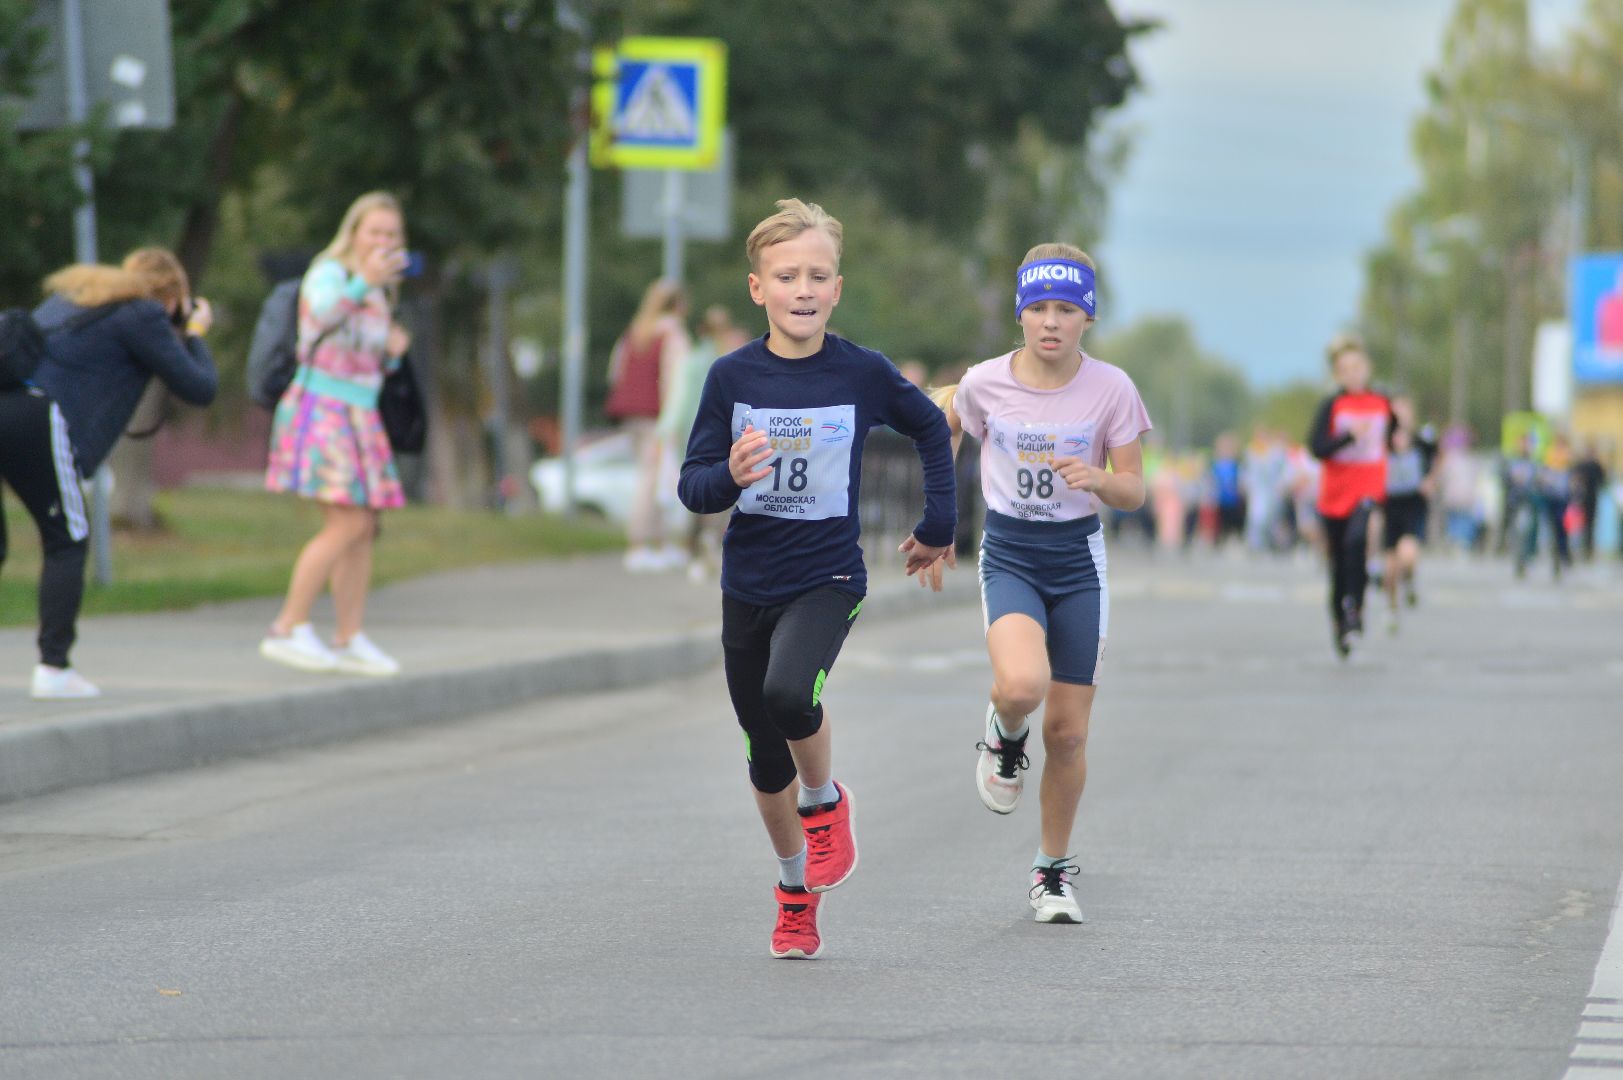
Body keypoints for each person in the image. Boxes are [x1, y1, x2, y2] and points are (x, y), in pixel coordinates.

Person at [677, 198, 956, 960]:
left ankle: (826, 803)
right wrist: (728, 476)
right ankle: (794, 889)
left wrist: (939, 525)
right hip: (749, 582)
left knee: (787, 692)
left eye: (818, 275)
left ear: (836, 289)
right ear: (756, 288)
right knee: (763, 757)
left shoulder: (859, 371)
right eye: (786, 275)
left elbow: (931, 426)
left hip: (829, 574)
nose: (802, 288)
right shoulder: (730, 376)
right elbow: (692, 485)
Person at [930, 243, 1151, 924]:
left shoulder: (1111, 388)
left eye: (1065, 310)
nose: (1050, 322)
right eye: (1037, 309)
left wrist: (1100, 480)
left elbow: (1135, 491)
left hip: (1077, 561)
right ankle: (1003, 730)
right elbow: (949, 430)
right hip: (1012, 555)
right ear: (1020, 315)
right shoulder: (985, 382)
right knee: (1023, 686)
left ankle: (1051, 872)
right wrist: (938, 525)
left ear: (1086, 318)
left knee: (1069, 735)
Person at [1, 248, 217, 698]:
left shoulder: (75, 295)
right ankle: (54, 668)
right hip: (40, 421)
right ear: (172, 295)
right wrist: (194, 332)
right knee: (67, 539)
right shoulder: (141, 314)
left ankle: (54, 664)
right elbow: (199, 387)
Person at [260, 191, 413, 676]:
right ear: (354, 233)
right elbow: (321, 318)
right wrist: (362, 284)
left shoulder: (384, 290)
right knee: (344, 523)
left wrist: (392, 352)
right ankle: (287, 627)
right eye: (376, 231)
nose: (384, 242)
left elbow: (363, 357)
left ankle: (349, 635)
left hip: (359, 413)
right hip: (322, 408)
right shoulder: (332, 273)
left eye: (392, 234)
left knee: (364, 527)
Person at [1307, 334, 1394, 659]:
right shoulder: (1332, 405)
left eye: (1358, 367)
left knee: (1358, 540)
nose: (1353, 374)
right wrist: (1345, 437)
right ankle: (1340, 623)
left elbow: (1397, 431)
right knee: (1340, 563)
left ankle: (1356, 607)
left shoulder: (1382, 403)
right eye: (1346, 369)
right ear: (1338, 375)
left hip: (1368, 487)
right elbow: (1315, 448)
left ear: (1367, 369)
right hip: (1335, 494)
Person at [657, 304, 748, 581]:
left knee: (701, 495)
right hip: (725, 434)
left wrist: (667, 430)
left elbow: (680, 400)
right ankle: (708, 547)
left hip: (695, 434)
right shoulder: (732, 361)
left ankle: (696, 549)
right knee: (722, 495)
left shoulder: (697, 360)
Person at [609, 279, 690, 572]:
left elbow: (615, 371)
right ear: (678, 305)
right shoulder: (672, 333)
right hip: (657, 417)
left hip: (631, 413)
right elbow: (677, 379)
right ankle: (642, 543)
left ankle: (655, 542)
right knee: (655, 478)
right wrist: (674, 420)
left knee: (649, 475)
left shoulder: (635, 332)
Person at [1380, 397, 1438, 631]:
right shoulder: (1383, 441)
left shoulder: (1422, 441)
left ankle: (1411, 580)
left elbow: (1437, 459)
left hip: (1413, 505)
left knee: (1409, 554)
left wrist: (1430, 481)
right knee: (1390, 568)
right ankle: (1392, 608)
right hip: (1390, 506)